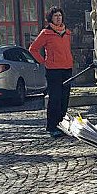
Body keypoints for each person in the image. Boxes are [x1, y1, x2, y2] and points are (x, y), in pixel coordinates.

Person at [29, 7, 74, 137]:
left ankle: (62, 124)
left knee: (64, 98)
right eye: (55, 16)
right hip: (53, 70)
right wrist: (44, 62)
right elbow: (33, 49)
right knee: (55, 98)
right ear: (51, 18)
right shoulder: (46, 33)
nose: (58, 18)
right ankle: (52, 126)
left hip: (67, 68)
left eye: (60, 15)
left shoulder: (67, 33)